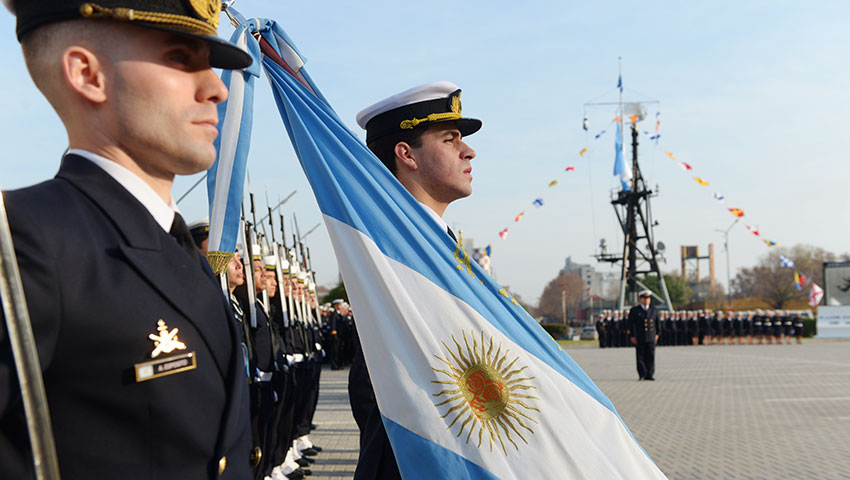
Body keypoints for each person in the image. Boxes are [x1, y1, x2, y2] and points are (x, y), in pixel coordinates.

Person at [0, 1, 254, 478]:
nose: (217, 88)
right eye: (181, 58)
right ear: (87, 74)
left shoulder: (172, 241)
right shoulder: (22, 244)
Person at [351, 81, 480, 480]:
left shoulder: (439, 245)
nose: (469, 151)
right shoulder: (394, 253)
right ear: (406, 154)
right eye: (449, 138)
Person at [626, 290, 659, 381]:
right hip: (639, 337)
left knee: (651, 356)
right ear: (640, 299)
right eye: (644, 298)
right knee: (640, 356)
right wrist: (631, 336)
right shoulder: (635, 310)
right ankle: (642, 374)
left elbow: (657, 323)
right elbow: (630, 324)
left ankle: (650, 374)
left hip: (651, 337)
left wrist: (657, 334)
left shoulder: (654, 310)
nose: (646, 300)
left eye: (648, 298)